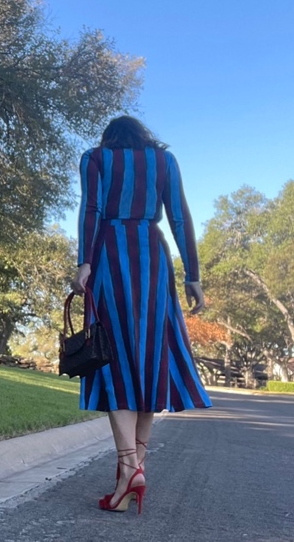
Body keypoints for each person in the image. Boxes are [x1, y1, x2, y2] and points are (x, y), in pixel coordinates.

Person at [70, 115, 211, 514]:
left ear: (110, 138)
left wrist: (84, 263)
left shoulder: (95, 158)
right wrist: (193, 276)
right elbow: (181, 218)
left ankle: (130, 469)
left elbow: (91, 210)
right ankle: (130, 476)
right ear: (142, 137)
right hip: (153, 258)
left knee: (113, 361)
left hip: (109, 258)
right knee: (148, 362)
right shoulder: (164, 162)